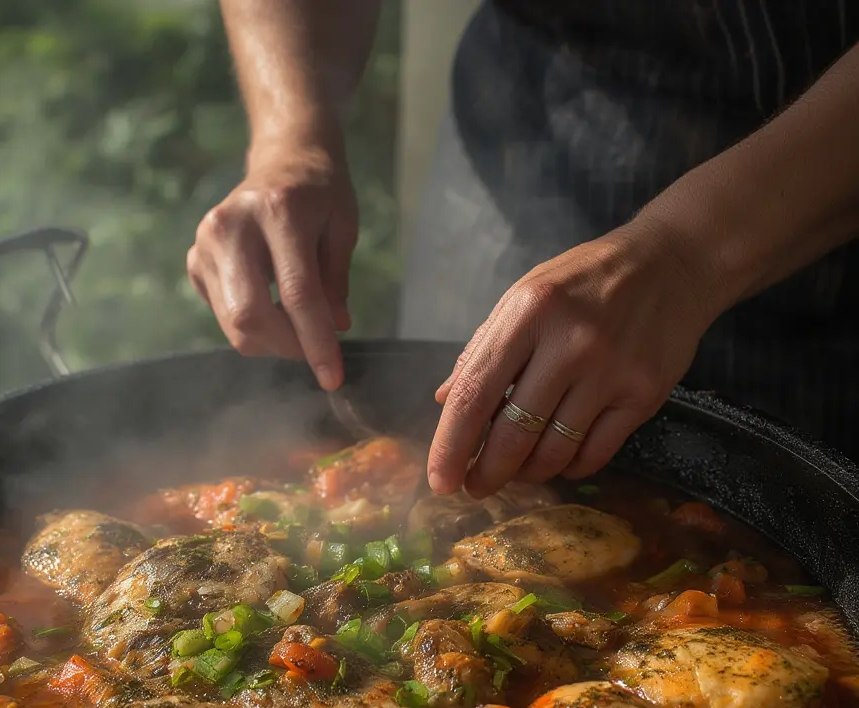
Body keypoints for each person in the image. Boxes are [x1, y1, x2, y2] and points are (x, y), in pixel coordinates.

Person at [187, 1, 859, 499]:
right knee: (446, 461)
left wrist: (685, 257)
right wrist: (290, 138)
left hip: (820, 181)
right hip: (518, 124)